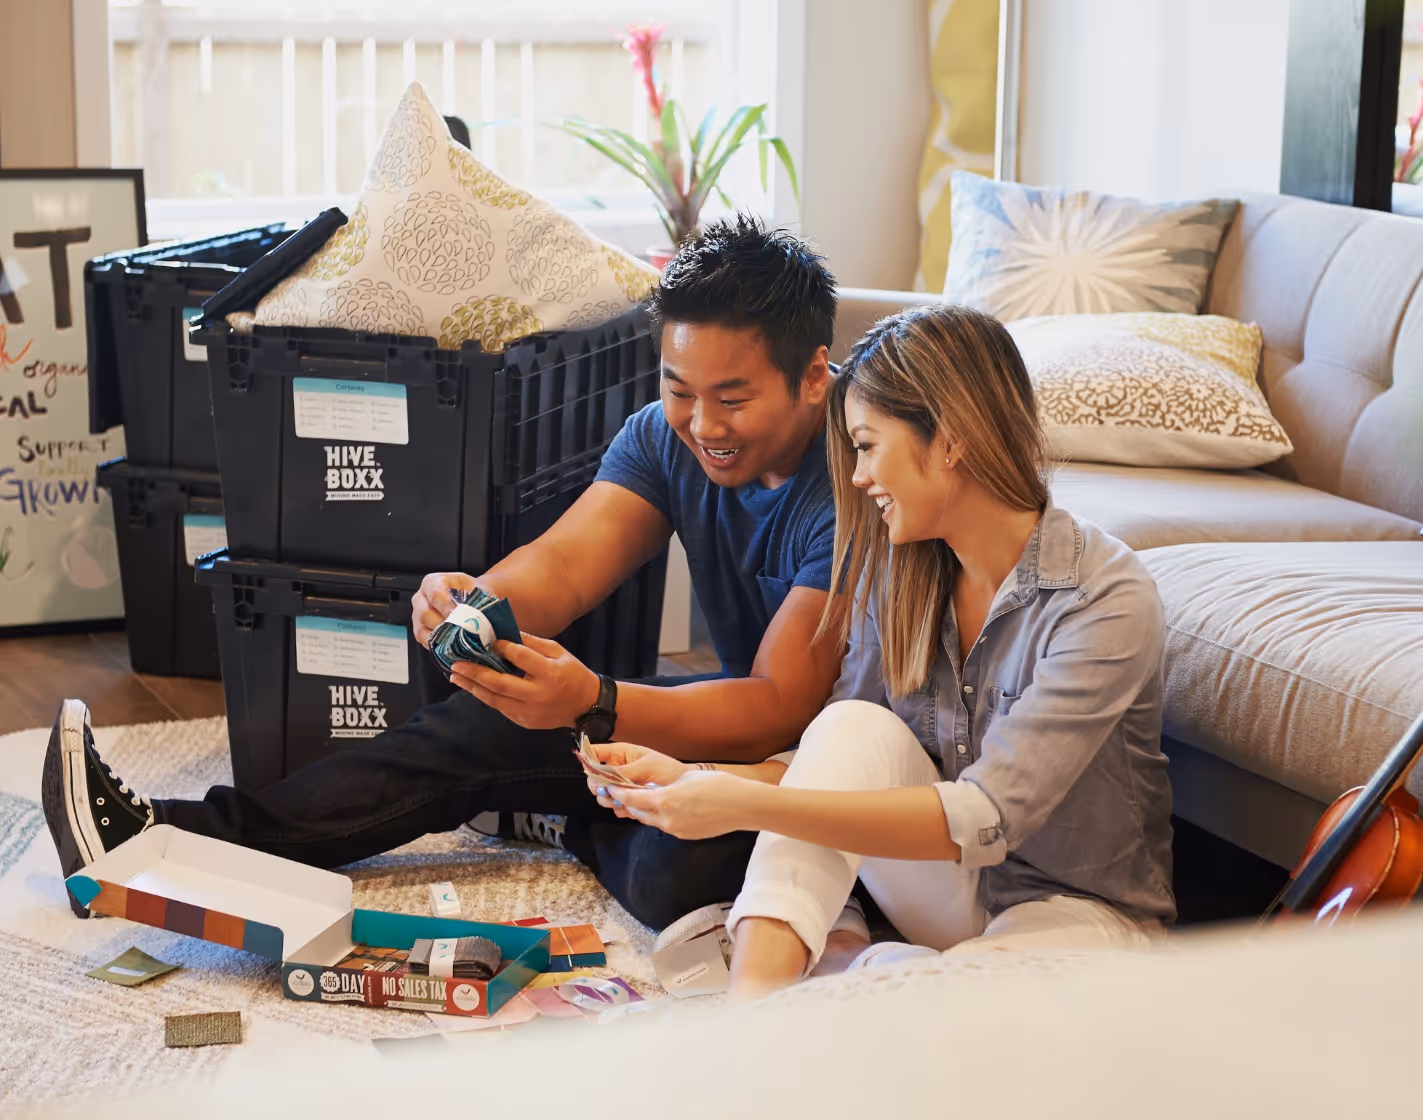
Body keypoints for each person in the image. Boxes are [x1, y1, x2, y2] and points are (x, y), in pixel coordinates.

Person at [41, 216, 845, 929]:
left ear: (814, 376)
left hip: (817, 769)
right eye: (679, 390)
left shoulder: (854, 481)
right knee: (480, 727)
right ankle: (163, 839)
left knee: (680, 878)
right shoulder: (665, 438)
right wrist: (476, 602)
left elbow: (780, 707)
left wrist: (597, 702)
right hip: (727, 731)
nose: (702, 424)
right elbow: (565, 566)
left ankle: (557, 815)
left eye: (732, 399)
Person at [581, 304, 1176, 996]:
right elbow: (838, 765)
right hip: (950, 896)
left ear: (950, 440)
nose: (859, 477)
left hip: (1078, 915)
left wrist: (740, 803)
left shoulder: (1102, 596)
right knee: (849, 724)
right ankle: (754, 1008)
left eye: (867, 445)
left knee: (946, 1017)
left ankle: (859, 971)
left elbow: (986, 817)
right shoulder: (901, 573)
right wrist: (696, 777)